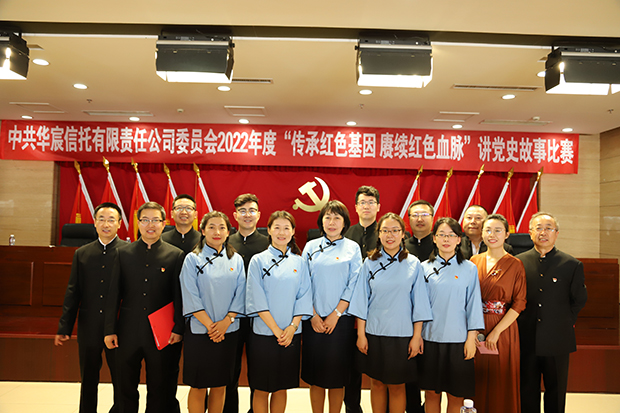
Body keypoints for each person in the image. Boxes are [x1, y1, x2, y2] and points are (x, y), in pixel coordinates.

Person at [104, 202, 185, 413]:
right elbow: (114, 295)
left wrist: (178, 328)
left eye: (156, 220)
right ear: (138, 223)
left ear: (164, 224)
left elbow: (179, 296)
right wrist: (109, 329)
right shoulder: (123, 253)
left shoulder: (175, 255)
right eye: (145, 220)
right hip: (127, 331)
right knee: (125, 385)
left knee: (160, 386)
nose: (151, 225)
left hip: (162, 333)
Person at [349, 212, 432, 413]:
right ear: (379, 234)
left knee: (397, 385)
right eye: (385, 230)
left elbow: (420, 304)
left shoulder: (413, 264)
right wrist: (361, 335)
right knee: (376, 383)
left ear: (403, 234)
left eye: (395, 230)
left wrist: (416, 337)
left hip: (402, 335)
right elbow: (361, 301)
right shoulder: (369, 262)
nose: (390, 235)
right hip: (374, 333)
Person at [55, 202, 127, 413]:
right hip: (89, 325)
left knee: (121, 379)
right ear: (94, 223)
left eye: (111, 220)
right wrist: (64, 327)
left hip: (119, 326)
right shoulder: (82, 253)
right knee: (88, 379)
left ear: (119, 224)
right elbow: (73, 292)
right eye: (101, 219)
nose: (106, 224)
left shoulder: (128, 252)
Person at [516, 212, 588, 413]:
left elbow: (579, 299)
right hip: (525, 338)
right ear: (530, 233)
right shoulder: (518, 262)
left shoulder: (571, 264)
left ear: (557, 233)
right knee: (527, 390)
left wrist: (564, 321)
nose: (543, 232)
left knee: (556, 391)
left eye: (549, 228)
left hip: (558, 339)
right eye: (538, 228)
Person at [245, 211, 313, 413]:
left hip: (290, 334)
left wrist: (292, 328)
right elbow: (256, 297)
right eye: (277, 228)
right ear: (269, 230)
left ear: (293, 232)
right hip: (264, 334)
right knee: (261, 387)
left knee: (282, 386)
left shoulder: (299, 262)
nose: (281, 233)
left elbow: (304, 296)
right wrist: (276, 330)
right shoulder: (258, 260)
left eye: (286, 228)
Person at [180, 211, 246, 413]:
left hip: (228, 331)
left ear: (228, 232)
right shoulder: (192, 259)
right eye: (211, 227)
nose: (217, 232)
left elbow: (241, 294)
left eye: (221, 227)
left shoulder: (236, 260)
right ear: (202, 231)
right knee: (198, 385)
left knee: (220, 384)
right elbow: (190, 295)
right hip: (200, 331)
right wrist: (211, 326)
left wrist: (226, 322)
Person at [301, 200, 362, 413]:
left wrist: (336, 314)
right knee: (316, 376)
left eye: (337, 218)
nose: (332, 222)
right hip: (313, 320)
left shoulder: (352, 248)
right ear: (321, 221)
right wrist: (313, 315)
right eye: (328, 217)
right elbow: (303, 283)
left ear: (345, 223)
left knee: (338, 377)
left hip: (341, 322)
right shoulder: (311, 246)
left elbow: (354, 284)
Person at [419, 217, 484, 413]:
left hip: (459, 341)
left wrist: (471, 338)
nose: (446, 239)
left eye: (451, 235)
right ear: (434, 238)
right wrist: (417, 336)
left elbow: (474, 305)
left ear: (458, 239)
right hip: (429, 339)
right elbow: (418, 306)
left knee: (456, 395)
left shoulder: (469, 268)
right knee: (431, 394)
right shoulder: (423, 267)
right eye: (441, 235)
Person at [470, 214, 527, 413]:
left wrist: (496, 332)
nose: (492, 235)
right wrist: (471, 330)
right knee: (476, 378)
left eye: (497, 230)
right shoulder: (473, 261)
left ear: (507, 234)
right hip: (475, 326)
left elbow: (519, 303)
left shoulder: (515, 264)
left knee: (500, 379)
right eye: (488, 230)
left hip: (503, 328)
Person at [227, 194, 270, 413]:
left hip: (259, 318)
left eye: (251, 211)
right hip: (230, 316)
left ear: (259, 215)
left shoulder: (268, 243)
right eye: (242, 211)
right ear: (235, 215)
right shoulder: (225, 242)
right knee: (229, 369)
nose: (247, 215)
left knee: (258, 370)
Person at [344, 185, 381, 413]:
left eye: (371, 202)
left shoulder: (386, 233)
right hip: (348, 310)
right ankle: (352, 408)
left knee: (381, 369)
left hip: (378, 311)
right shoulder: (346, 234)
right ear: (356, 207)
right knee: (351, 366)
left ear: (378, 206)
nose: (366, 206)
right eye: (362, 203)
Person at [403, 200, 434, 413]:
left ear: (432, 217)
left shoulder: (443, 243)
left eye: (424, 214)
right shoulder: (401, 246)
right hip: (407, 318)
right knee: (409, 370)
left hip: (436, 317)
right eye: (415, 215)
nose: (419, 219)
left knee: (431, 371)